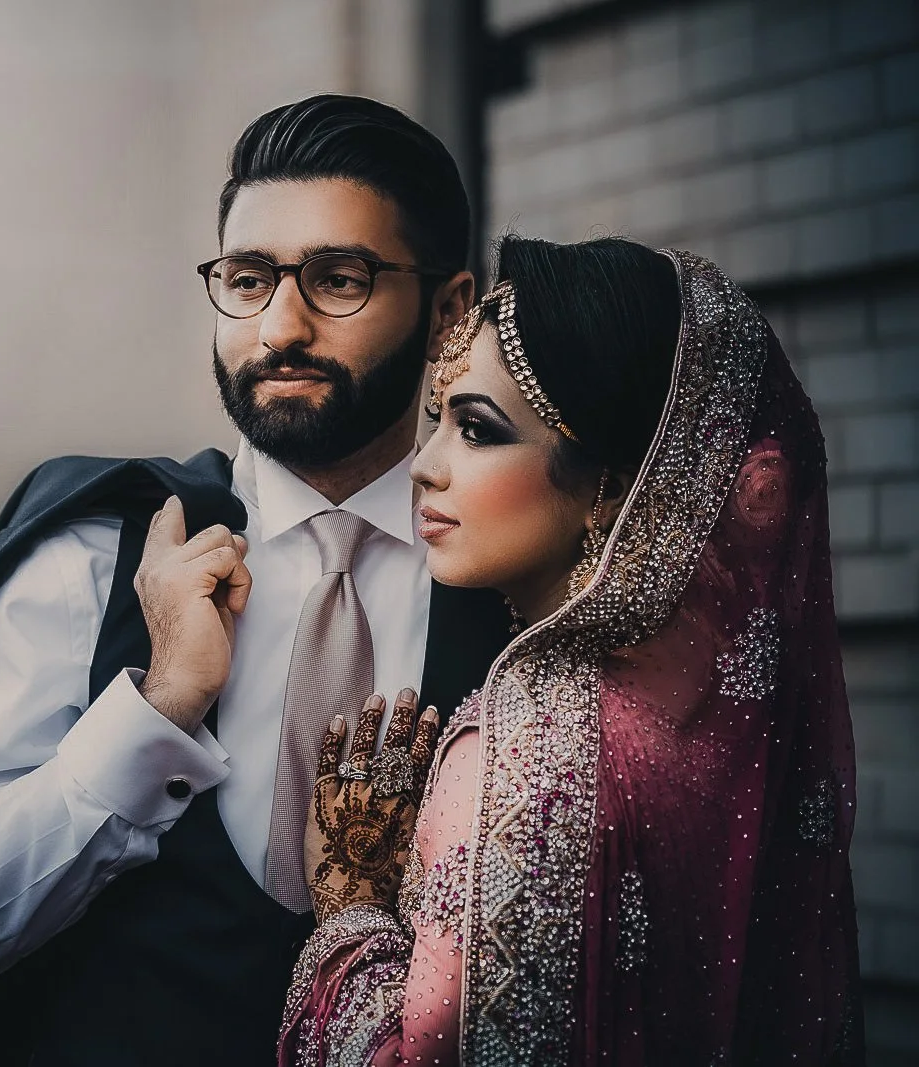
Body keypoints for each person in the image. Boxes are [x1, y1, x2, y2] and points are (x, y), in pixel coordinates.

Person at [0, 94, 516, 1064]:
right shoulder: (97, 550)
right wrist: (157, 709)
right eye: (247, 279)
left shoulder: (519, 585)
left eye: (339, 279)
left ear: (449, 308)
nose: (280, 325)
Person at [279, 235, 865, 1066]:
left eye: (478, 430)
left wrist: (349, 910)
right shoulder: (733, 729)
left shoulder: (516, 754)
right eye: (436, 419)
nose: (426, 467)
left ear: (616, 484)